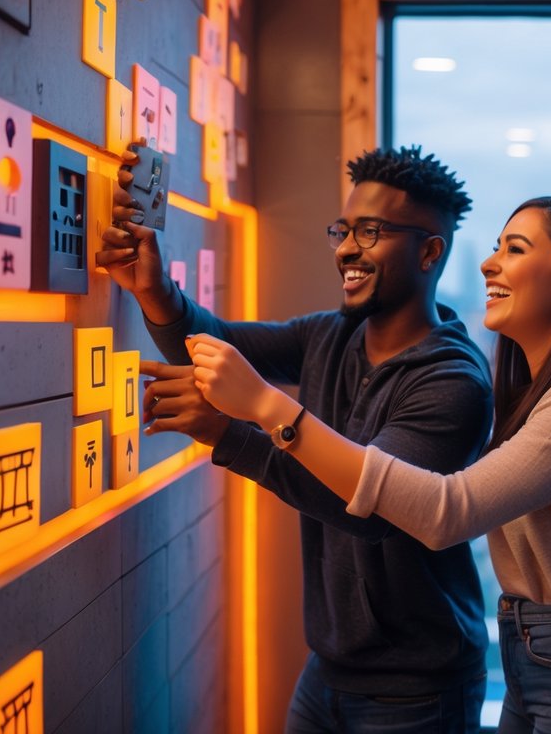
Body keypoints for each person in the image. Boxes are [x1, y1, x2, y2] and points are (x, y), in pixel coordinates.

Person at [186, 196, 551, 733]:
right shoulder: (543, 390)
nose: (488, 263)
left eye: (515, 249)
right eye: (496, 246)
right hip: (539, 652)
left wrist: (268, 408)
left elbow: (447, 513)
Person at [96, 145, 494, 733]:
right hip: (327, 672)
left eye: (371, 232)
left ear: (430, 251)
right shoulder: (329, 336)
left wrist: (231, 433)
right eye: (343, 230)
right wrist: (153, 292)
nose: (346, 249)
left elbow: (367, 508)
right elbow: (218, 342)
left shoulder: (453, 381)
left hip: (418, 692)